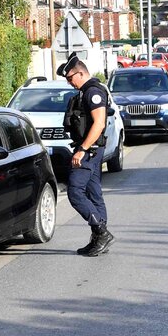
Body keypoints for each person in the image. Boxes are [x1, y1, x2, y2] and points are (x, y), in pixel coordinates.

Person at [58, 53, 115, 257]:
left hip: (89, 150)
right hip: (90, 149)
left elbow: (99, 123)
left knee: (75, 191)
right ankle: (99, 238)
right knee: (93, 192)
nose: (69, 82)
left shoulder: (93, 92)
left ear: (80, 73)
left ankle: (101, 232)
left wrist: (82, 150)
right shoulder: (85, 92)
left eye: (70, 78)